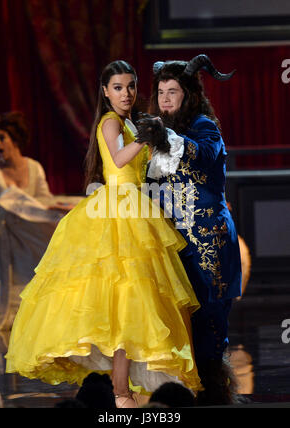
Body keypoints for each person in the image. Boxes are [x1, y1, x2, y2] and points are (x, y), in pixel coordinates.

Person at [5, 60, 202, 408]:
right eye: (118, 87)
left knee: (133, 304)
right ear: (105, 91)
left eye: (130, 86)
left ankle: (129, 387)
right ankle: (120, 390)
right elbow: (118, 158)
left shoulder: (129, 121)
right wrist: (146, 138)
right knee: (121, 301)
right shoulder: (110, 121)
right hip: (117, 210)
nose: (126, 93)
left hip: (138, 208)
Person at [146, 54, 242, 405]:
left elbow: (201, 154)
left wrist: (165, 136)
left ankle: (214, 390)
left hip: (208, 240)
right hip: (174, 241)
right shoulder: (156, 134)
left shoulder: (204, 126)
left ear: (189, 95)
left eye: (173, 91)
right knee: (178, 317)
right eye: (160, 92)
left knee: (210, 315)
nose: (166, 99)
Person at [0, 111, 62, 330]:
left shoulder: (33, 167)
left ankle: (33, 316)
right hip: (1, 232)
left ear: (14, 139)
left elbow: (44, 199)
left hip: (30, 232)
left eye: (2, 137)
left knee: (33, 273)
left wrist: (57, 209)